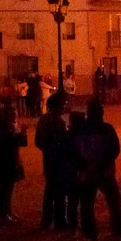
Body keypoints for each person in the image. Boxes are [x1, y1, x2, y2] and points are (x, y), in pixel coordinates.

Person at [77, 98, 121, 241]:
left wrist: (83, 165)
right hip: (104, 172)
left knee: (87, 204)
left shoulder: (81, 129)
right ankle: (117, 231)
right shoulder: (107, 129)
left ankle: (90, 235)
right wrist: (102, 164)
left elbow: (73, 150)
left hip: (87, 173)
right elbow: (115, 149)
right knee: (113, 201)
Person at [34, 90, 69, 230]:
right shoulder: (58, 122)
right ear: (58, 106)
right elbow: (64, 142)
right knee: (60, 191)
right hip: (59, 161)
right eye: (63, 104)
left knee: (49, 191)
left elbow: (38, 141)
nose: (65, 107)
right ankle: (60, 221)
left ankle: (46, 220)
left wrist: (47, 149)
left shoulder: (43, 120)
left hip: (48, 160)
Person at [0, 103, 27, 225]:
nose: (16, 116)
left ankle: (8, 212)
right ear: (7, 115)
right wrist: (21, 133)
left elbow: (23, 143)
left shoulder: (11, 126)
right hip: (4, 161)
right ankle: (2, 215)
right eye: (13, 114)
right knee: (3, 189)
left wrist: (22, 133)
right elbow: (7, 144)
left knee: (9, 188)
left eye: (15, 113)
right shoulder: (2, 129)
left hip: (12, 160)